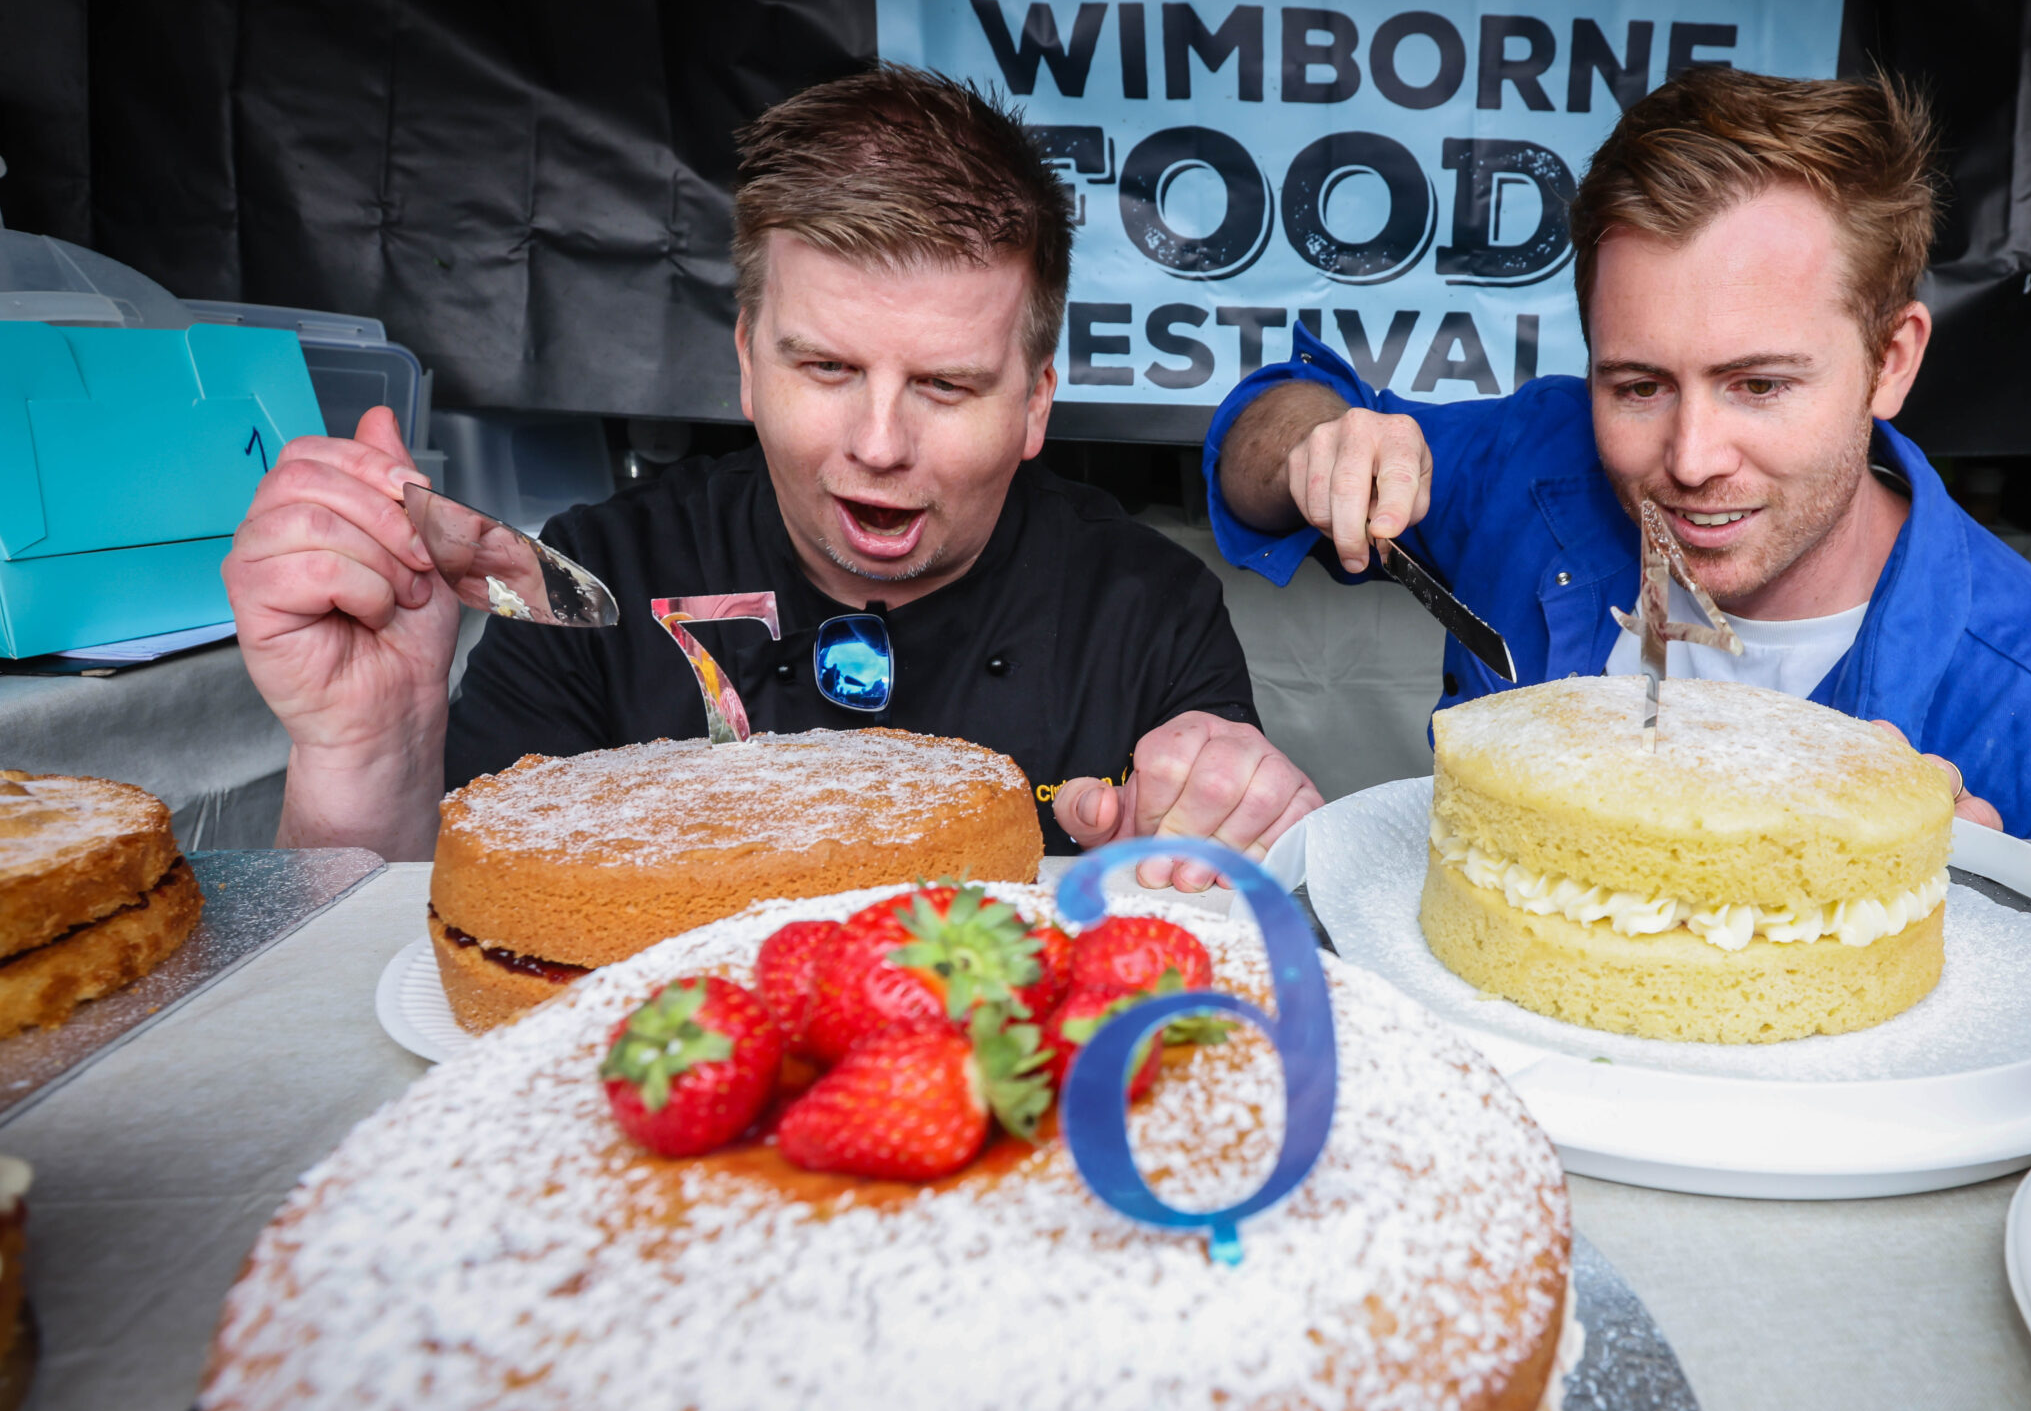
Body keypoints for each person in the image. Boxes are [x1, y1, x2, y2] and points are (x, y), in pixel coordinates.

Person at [224, 65, 1317, 890]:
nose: (878, 443)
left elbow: (1211, 920)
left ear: (1035, 402)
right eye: (827, 367)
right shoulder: (593, 577)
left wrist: (1215, 848)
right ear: (746, 362)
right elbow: (434, 952)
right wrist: (365, 754)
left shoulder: (1146, 607)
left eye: (944, 384)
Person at [1207, 67, 2031, 838]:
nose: (1693, 457)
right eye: (1639, 386)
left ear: (1891, 361)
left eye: (1760, 385)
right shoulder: (1532, 458)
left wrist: (1973, 942)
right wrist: (1316, 445)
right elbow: (1252, 450)